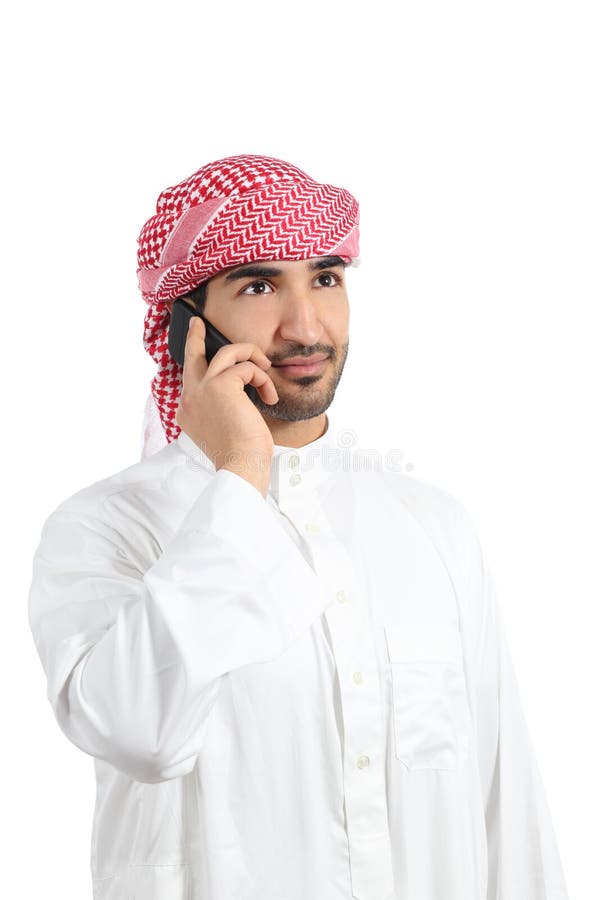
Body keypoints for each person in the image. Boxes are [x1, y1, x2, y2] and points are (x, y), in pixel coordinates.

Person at [28, 154, 569, 900]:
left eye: (325, 278)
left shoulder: (435, 529)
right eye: (257, 285)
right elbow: (142, 733)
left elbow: (507, 814)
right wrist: (241, 475)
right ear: (188, 322)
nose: (306, 325)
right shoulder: (105, 530)